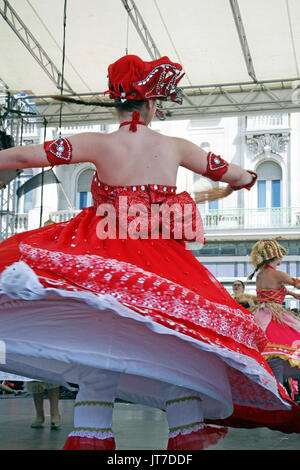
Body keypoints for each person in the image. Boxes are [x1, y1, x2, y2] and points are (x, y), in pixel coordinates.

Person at [0, 54, 299, 451]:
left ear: (117, 102)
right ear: (154, 103)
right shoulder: (176, 147)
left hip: (102, 255)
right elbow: (232, 173)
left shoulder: (98, 143)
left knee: (101, 341)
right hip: (162, 261)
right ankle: (186, 431)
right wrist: (246, 179)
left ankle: (91, 436)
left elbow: (22, 157)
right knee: (172, 338)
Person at [249, 239, 300, 385]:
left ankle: (274, 391)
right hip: (274, 316)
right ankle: (279, 393)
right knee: (276, 356)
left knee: (269, 359)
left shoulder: (260, 275)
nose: (282, 258)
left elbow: (270, 290)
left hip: (260, 314)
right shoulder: (278, 274)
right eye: (281, 255)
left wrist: (290, 294)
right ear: (276, 256)